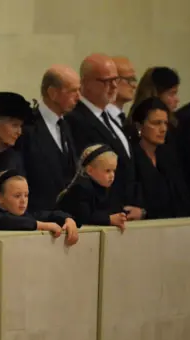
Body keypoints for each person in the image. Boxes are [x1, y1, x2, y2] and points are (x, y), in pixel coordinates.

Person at [67, 53, 145, 220]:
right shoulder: (75, 119)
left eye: (116, 80)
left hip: (125, 214)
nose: (113, 86)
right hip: (102, 215)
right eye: (106, 81)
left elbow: (128, 166)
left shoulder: (112, 120)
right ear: (85, 83)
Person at [20, 65, 80, 213]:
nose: (79, 97)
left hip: (68, 218)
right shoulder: (27, 127)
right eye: (73, 91)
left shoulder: (67, 125)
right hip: (40, 216)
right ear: (53, 93)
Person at [130, 97, 190, 219]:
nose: (163, 129)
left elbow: (182, 201)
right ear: (139, 126)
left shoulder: (168, 158)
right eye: (156, 123)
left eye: (165, 123)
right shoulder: (131, 158)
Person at [0, 170, 79, 245]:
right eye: (17, 196)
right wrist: (43, 225)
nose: (23, 200)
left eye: (26, 195)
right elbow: (9, 221)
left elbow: (50, 214)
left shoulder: (26, 215)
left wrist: (68, 219)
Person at [57, 144, 128, 231]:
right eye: (107, 171)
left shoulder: (107, 188)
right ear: (90, 170)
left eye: (114, 170)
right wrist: (109, 219)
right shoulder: (81, 188)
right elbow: (84, 217)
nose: (112, 175)